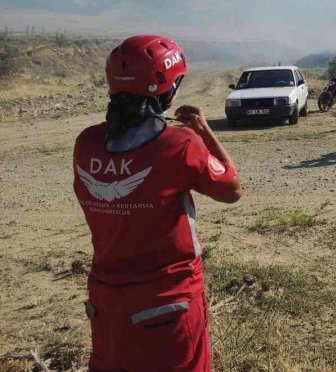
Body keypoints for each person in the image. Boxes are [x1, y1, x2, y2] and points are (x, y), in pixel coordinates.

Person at [74, 35, 242, 372]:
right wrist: (204, 131)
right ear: (168, 88)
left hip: (106, 304)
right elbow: (231, 190)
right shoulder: (179, 144)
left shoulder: (87, 143)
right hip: (169, 304)